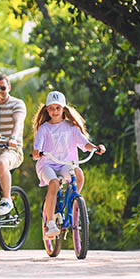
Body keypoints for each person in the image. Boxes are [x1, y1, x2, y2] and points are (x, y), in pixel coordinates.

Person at [32, 91, 105, 238]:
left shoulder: (71, 127)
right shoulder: (44, 128)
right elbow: (37, 148)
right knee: (53, 183)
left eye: (58, 108)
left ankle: (74, 204)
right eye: (51, 108)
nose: (54, 111)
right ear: (46, 109)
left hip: (66, 164)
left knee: (79, 175)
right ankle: (51, 223)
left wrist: (96, 147)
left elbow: (85, 144)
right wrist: (36, 153)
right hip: (47, 164)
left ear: (64, 109)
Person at [0, 73, 27, 216]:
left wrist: (13, 137)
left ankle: (7, 199)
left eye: (3, 88)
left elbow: (18, 123)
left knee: (1, 163)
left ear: (9, 87)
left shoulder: (17, 104)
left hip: (11, 149)